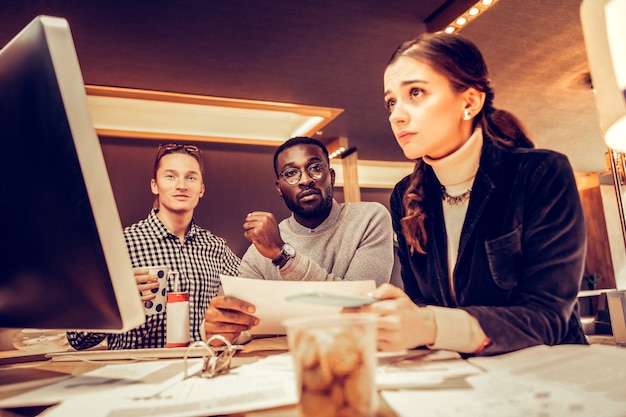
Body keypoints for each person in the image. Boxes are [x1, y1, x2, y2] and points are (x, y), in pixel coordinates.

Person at [352, 32, 588, 356]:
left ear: (470, 102)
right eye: (391, 101)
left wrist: (431, 325)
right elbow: (421, 301)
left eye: (416, 92)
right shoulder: (403, 196)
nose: (396, 114)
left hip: (551, 373)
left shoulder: (540, 173)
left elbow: (549, 318)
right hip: (463, 377)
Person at [203, 136, 394, 342]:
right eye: (291, 173)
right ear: (279, 188)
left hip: (356, 355)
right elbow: (243, 326)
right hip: (287, 366)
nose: (305, 180)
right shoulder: (260, 249)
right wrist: (221, 330)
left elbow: (358, 309)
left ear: (331, 176)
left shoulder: (369, 218)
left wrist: (282, 254)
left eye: (315, 168)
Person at [67, 143, 241, 350]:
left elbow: (256, 294)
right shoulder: (119, 246)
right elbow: (77, 339)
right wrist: (114, 300)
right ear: (154, 185)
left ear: (201, 189)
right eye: (170, 176)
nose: (181, 185)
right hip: (136, 372)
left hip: (199, 370)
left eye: (191, 177)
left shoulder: (217, 248)